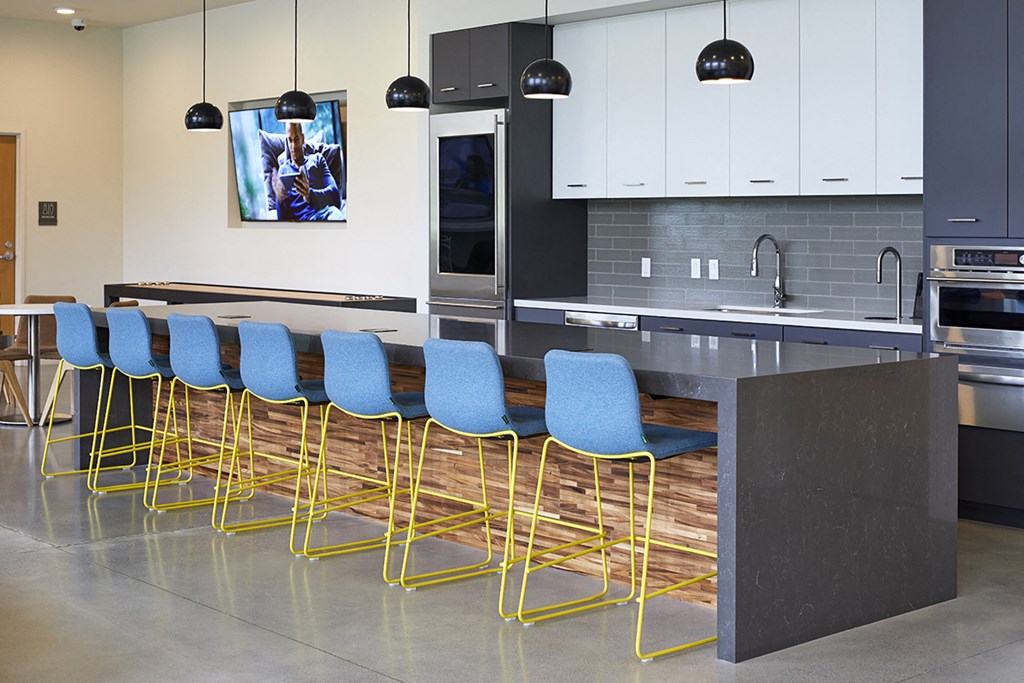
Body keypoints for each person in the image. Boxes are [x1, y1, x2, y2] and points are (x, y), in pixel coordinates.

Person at [272, 122, 346, 221]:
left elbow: (335, 196)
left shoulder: (317, 160)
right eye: (290, 140)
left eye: (296, 139)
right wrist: (279, 199)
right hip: (301, 225)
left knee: (335, 214)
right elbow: (282, 220)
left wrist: (310, 195)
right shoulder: (283, 171)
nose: (293, 146)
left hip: (323, 215)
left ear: (302, 139)